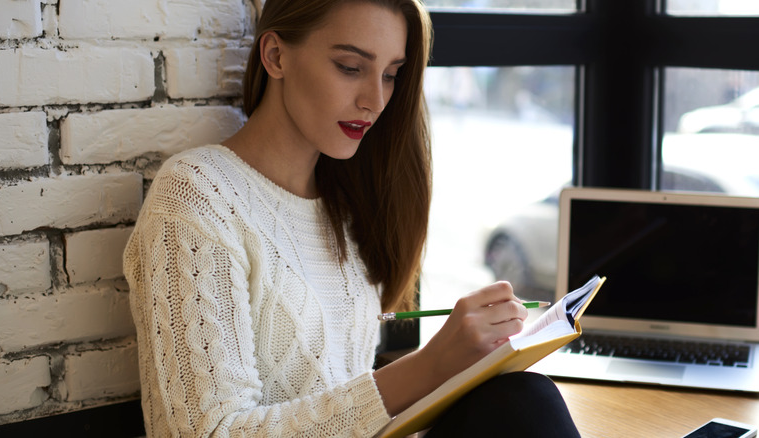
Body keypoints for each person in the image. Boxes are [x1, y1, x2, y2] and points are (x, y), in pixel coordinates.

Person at [123, 0, 581, 436]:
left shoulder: (345, 205)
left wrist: (464, 364)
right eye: (350, 68)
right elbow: (210, 432)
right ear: (276, 55)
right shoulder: (196, 196)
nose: (375, 101)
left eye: (390, 74)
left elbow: (350, 407)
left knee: (518, 395)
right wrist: (431, 364)